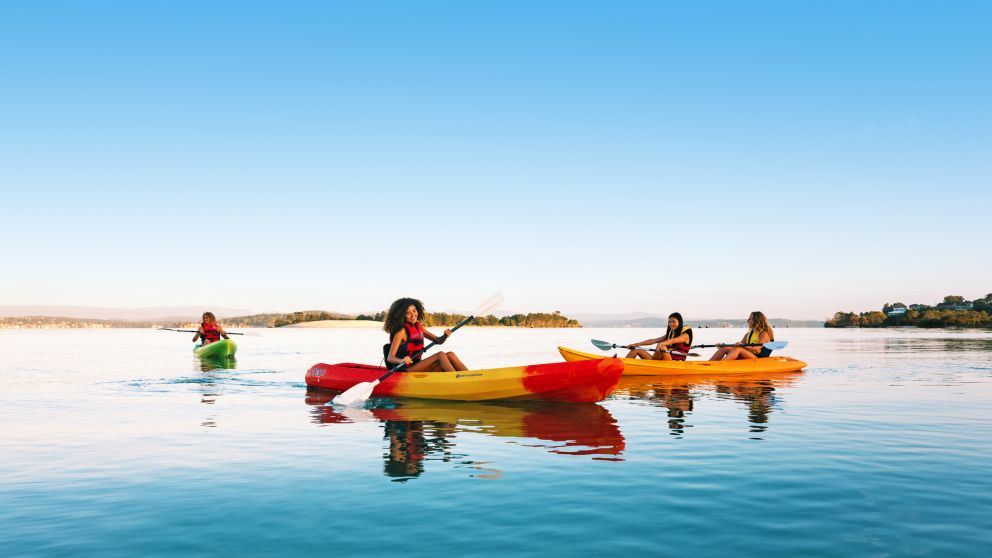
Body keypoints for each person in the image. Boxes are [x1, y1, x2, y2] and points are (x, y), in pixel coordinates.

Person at [383, 298, 468, 372]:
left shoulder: (418, 327)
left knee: (450, 354)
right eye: (407, 313)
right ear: (401, 315)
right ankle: (457, 380)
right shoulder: (401, 331)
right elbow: (390, 358)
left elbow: (438, 341)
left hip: (417, 365)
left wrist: (445, 335)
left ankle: (469, 376)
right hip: (405, 369)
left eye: (414, 310)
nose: (413, 315)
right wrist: (401, 360)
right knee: (440, 355)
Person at [624, 312, 693, 361]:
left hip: (674, 363)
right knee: (636, 349)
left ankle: (653, 364)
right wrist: (636, 344)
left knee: (662, 346)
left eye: (673, 322)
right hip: (663, 359)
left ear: (679, 322)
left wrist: (662, 343)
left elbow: (674, 340)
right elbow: (654, 340)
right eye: (669, 322)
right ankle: (624, 365)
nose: (671, 324)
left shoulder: (686, 335)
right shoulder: (671, 334)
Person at [709, 311, 775, 361]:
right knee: (725, 348)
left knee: (739, 349)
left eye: (750, 319)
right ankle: (709, 363)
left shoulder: (764, 333)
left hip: (759, 357)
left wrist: (741, 345)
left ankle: (721, 365)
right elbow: (739, 345)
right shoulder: (748, 334)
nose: (748, 320)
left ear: (757, 320)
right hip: (749, 354)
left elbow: (757, 347)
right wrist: (724, 345)